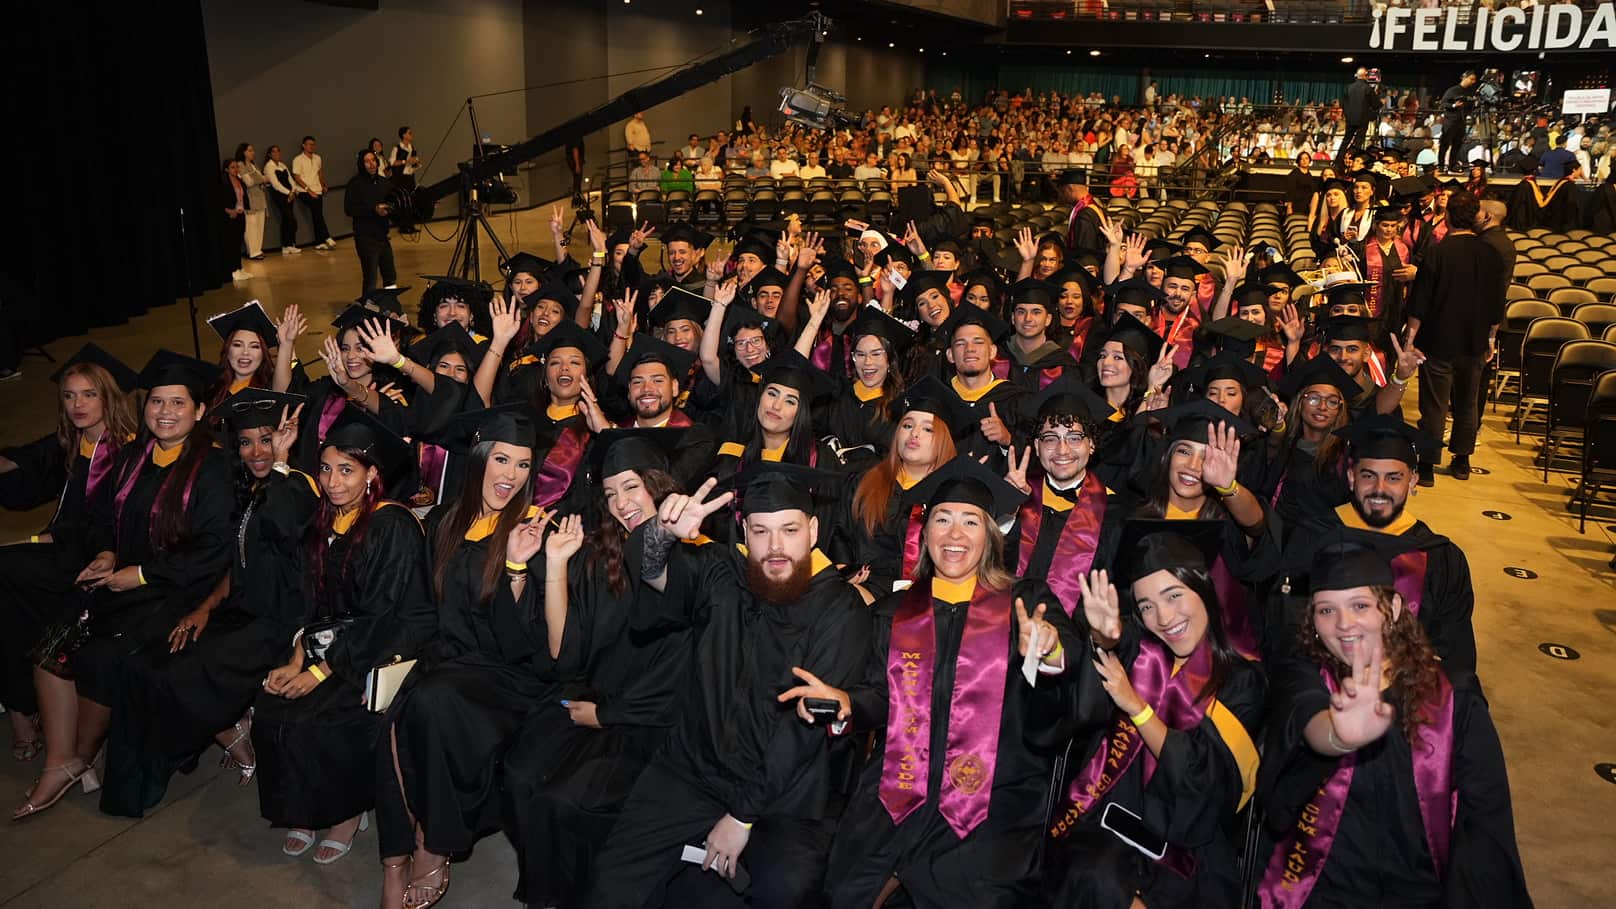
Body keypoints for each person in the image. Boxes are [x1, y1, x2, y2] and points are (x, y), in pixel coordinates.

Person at [583, 468, 872, 909]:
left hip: (783, 793)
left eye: (789, 530)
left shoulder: (840, 608)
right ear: (744, 532)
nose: (775, 547)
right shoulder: (724, 574)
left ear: (812, 530)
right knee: (612, 882)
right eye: (761, 531)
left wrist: (742, 816)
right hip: (692, 769)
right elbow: (656, 576)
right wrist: (661, 533)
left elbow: (801, 734)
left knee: (774, 890)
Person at [807, 459, 1088, 908]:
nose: (955, 535)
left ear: (991, 535)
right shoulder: (895, 610)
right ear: (925, 532)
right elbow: (880, 696)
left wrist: (1049, 651)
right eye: (943, 519)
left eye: (970, 521)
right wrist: (846, 703)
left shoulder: (1024, 600)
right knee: (845, 891)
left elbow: (1070, 669)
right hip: (895, 789)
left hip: (992, 798)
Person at [1257, 534, 1531, 907]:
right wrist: (1340, 736)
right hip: (1322, 887)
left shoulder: (1454, 697)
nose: (1344, 624)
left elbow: (1483, 824)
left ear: (1395, 607)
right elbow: (1307, 724)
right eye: (1326, 610)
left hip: (1422, 891)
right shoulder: (1303, 676)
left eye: (1359, 605)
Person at [16, 351, 232, 821]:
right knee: (54, 636)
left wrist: (139, 574)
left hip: (177, 591)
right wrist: (108, 553)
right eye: (157, 402)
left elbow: (214, 551)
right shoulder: (134, 455)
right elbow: (101, 521)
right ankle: (64, 758)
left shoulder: (212, 467)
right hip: (124, 580)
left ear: (198, 411)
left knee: (100, 655)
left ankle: (77, 756)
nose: (166, 412)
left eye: (178, 403)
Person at [498, 429, 701, 908]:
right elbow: (565, 653)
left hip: (651, 720)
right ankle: (545, 893)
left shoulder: (694, 559)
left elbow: (685, 672)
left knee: (567, 801)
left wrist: (608, 714)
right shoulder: (602, 554)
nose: (621, 502)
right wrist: (554, 566)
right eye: (610, 493)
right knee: (520, 774)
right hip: (590, 699)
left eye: (631, 487)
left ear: (658, 485)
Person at [95, 390, 316, 818]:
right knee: (143, 664)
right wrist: (205, 608)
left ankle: (214, 743)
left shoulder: (299, 486)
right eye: (246, 441)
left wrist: (284, 463)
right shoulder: (246, 485)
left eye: (267, 439)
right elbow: (235, 565)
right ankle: (132, 788)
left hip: (278, 622)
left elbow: (282, 526)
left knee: (180, 677)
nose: (256, 451)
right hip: (237, 611)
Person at [376, 408, 544, 908]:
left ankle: (435, 842)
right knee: (388, 715)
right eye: (502, 460)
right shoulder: (449, 520)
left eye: (522, 465)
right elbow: (425, 606)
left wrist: (516, 567)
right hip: (444, 659)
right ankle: (394, 857)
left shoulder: (529, 529)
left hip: (504, 675)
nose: (511, 475)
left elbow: (521, 643)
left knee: (430, 702)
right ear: (478, 461)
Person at [1045, 526, 1265, 908]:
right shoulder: (1140, 652)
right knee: (1090, 873)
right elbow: (1083, 707)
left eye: (1174, 595)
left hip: (1185, 853)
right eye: (1146, 606)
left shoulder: (1242, 682)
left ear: (1204, 590)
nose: (1163, 617)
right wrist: (1104, 639)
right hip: (1104, 833)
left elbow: (1203, 783)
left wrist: (1137, 707)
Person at [251, 409, 432, 864]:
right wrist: (297, 655)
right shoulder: (326, 520)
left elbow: (383, 617)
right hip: (334, 641)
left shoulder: (392, 525)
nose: (333, 481)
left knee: (325, 715)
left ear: (372, 475)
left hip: (388, 646)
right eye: (327, 469)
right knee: (274, 704)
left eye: (347, 471)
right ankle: (308, 807)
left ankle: (347, 813)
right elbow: (309, 600)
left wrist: (320, 670)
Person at [0, 345, 139, 764]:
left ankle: (23, 710)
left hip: (98, 562)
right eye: (69, 396)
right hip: (62, 551)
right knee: (6, 594)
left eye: (88, 395)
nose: (78, 405)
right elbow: (27, 461)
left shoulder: (128, 450)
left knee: (7, 579)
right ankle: (22, 705)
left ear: (108, 397)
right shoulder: (74, 440)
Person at [1273, 413, 1479, 673]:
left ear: (1413, 480)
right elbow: (1286, 629)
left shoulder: (1441, 557)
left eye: (1394, 478)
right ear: (1351, 477)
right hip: (1321, 689)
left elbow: (1454, 651)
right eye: (1368, 476)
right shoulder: (1312, 537)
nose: (1379, 489)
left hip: (1411, 695)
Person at [1404, 190, 1505, 485]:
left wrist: (1410, 338)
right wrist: (1491, 339)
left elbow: (1420, 302)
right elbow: (1496, 304)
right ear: (1477, 217)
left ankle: (1426, 466)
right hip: (1474, 340)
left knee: (1434, 405)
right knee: (1467, 402)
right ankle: (1461, 461)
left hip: (1438, 340)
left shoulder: (1438, 252)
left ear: (1446, 217)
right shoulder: (1490, 254)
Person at [345, 149, 398, 299]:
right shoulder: (355, 184)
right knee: (371, 278)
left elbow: (395, 201)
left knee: (390, 275)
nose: (371, 164)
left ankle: (391, 304)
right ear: (361, 164)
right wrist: (374, 209)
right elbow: (349, 209)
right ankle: (368, 310)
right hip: (365, 238)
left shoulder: (384, 182)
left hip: (383, 236)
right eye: (367, 161)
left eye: (373, 160)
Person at [291, 135, 335, 250]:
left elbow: (320, 173)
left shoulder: (318, 158)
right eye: (309, 144)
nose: (311, 146)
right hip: (303, 191)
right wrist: (309, 191)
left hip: (317, 190)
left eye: (313, 144)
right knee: (317, 212)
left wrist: (323, 185)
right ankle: (327, 236)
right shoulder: (297, 160)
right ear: (303, 146)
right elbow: (297, 177)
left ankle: (319, 242)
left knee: (317, 214)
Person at [217, 158, 251, 283]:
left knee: (239, 241)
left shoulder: (239, 180)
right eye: (232, 167)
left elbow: (242, 197)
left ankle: (240, 268)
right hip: (230, 215)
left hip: (240, 214)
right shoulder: (223, 182)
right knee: (231, 243)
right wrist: (228, 210)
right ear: (226, 169)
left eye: (237, 167)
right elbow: (219, 199)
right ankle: (233, 270)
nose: (235, 169)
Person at [263, 144, 301, 255]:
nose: (276, 153)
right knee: (289, 219)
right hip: (279, 196)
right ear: (270, 154)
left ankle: (289, 245)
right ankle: (286, 244)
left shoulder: (283, 165)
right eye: (274, 152)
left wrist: (293, 191)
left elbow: (291, 180)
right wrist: (288, 193)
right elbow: (275, 184)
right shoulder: (268, 166)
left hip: (290, 195)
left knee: (287, 220)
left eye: (278, 151)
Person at [234, 143, 269, 260]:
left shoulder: (254, 165)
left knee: (260, 225)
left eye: (252, 150)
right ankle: (253, 251)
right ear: (243, 152)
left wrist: (259, 178)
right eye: (249, 150)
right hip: (250, 199)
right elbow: (248, 182)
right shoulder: (240, 164)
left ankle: (258, 249)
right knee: (251, 226)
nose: (252, 152)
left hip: (260, 198)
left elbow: (265, 179)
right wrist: (260, 179)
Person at [1438, 72, 1477, 173]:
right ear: (1465, 77)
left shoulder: (1470, 92)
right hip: (1450, 121)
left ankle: (1452, 165)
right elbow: (1443, 104)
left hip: (1462, 121)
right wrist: (1454, 106)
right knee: (1445, 144)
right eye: (1471, 79)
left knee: (1457, 144)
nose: (1473, 82)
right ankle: (1441, 165)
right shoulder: (1453, 90)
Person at [1339, 69, 1380, 165]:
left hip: (1350, 119)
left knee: (1346, 140)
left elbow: (1343, 104)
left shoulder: (1348, 87)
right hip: (1362, 119)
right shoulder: (1368, 88)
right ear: (1365, 76)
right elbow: (1376, 105)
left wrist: (1347, 115)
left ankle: (1338, 161)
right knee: (1359, 141)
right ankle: (1354, 160)